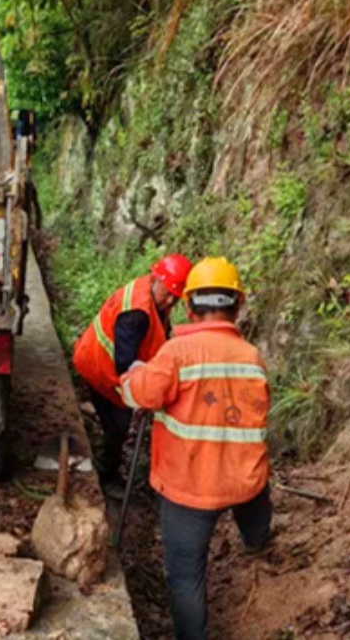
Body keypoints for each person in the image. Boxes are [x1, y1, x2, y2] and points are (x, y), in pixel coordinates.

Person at [119, 257, 271, 640]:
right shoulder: (252, 358)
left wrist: (134, 374)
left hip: (190, 488)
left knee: (186, 575)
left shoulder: (176, 354)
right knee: (255, 503)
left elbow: (139, 394)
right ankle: (257, 542)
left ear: (188, 306)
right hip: (243, 479)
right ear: (238, 305)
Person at [71, 254, 192, 497]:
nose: (170, 301)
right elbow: (125, 364)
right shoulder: (136, 314)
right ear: (156, 280)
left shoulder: (152, 294)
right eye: (168, 294)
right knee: (119, 424)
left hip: (103, 360)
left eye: (176, 297)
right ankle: (106, 474)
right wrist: (145, 392)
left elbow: (158, 335)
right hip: (100, 368)